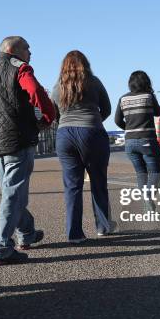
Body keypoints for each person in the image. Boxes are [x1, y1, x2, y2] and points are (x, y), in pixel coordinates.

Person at [0, 36, 54, 264]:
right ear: (14, 50)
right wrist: (47, 117)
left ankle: (26, 233)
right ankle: (0, 247)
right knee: (13, 194)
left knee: (12, 192)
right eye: (28, 48)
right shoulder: (20, 69)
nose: (30, 52)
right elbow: (36, 93)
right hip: (18, 139)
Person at [51, 50, 115, 243]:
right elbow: (107, 108)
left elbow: (55, 115)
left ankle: (74, 234)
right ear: (85, 64)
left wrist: (65, 123)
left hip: (65, 136)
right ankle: (103, 227)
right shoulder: (94, 82)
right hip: (92, 133)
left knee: (72, 187)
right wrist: (94, 121)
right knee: (98, 182)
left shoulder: (57, 86)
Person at [114, 71, 160, 212]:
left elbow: (117, 120)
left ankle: (146, 202)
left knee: (141, 173)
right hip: (147, 140)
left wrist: (129, 128)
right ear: (146, 82)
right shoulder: (149, 96)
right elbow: (158, 112)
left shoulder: (122, 99)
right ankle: (148, 196)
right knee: (155, 172)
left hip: (130, 142)